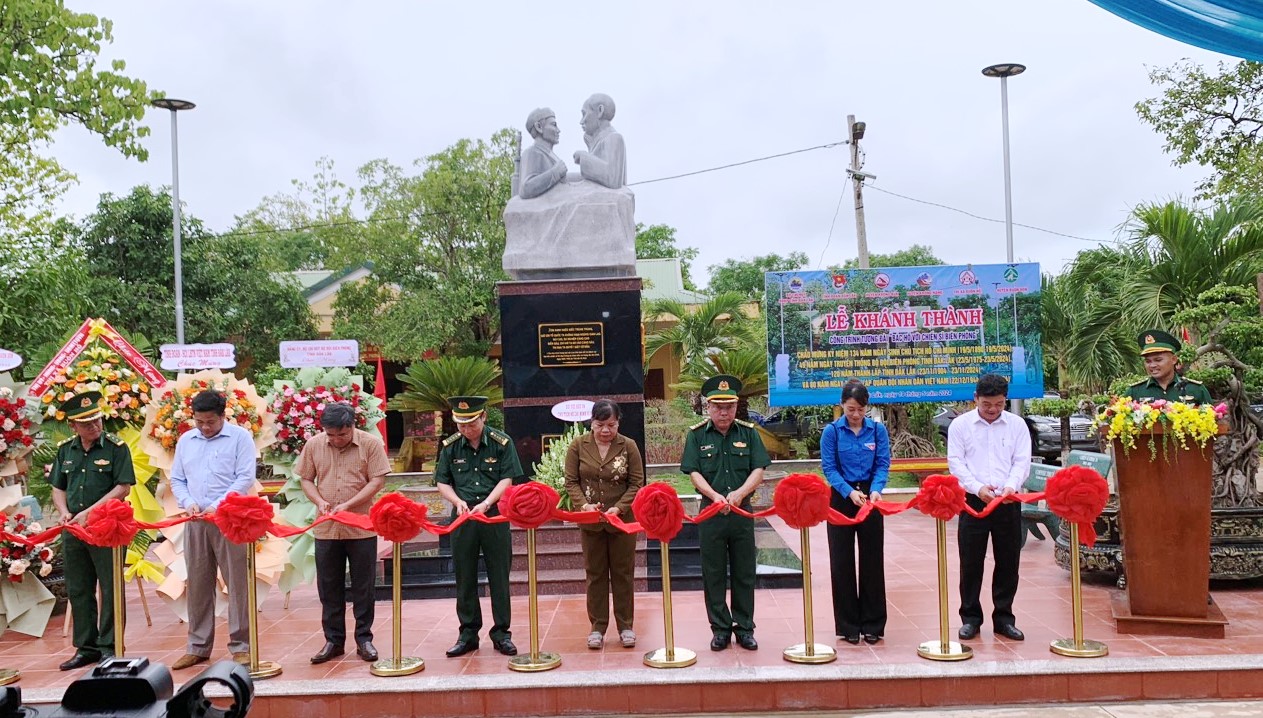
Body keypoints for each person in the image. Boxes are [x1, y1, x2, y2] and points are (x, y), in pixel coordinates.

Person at [168, 389, 257, 670]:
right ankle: (198, 646)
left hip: (230, 519)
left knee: (238, 583)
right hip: (196, 521)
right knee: (197, 583)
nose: (205, 427)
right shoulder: (186, 440)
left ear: (222, 416)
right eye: (199, 422)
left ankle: (242, 645)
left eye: (210, 422)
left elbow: (244, 477)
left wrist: (218, 505)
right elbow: (177, 479)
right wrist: (188, 502)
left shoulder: (240, 438)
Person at [681, 374, 769, 651]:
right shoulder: (696, 436)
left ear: (736, 406)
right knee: (714, 572)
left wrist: (741, 493)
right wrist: (714, 496)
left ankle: (744, 628)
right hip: (711, 513)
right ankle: (720, 628)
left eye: (729, 406)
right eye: (718, 406)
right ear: (708, 407)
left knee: (745, 572)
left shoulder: (749, 433)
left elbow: (759, 469)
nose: (724, 412)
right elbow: (693, 472)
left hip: (742, 513)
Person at [49, 391, 136, 670]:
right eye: (86, 423)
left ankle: (109, 645)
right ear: (73, 426)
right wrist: (64, 512)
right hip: (73, 529)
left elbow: (123, 487)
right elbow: (58, 486)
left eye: (97, 420)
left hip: (105, 526)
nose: (94, 426)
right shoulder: (66, 449)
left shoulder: (116, 447)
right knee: (79, 587)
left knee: (110, 588)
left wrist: (90, 513)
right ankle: (85, 647)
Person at [296, 402, 388, 664]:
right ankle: (333, 641)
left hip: (360, 527)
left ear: (352, 426)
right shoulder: (314, 444)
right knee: (328, 587)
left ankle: (364, 639)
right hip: (326, 528)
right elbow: (305, 478)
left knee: (363, 586)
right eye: (331, 435)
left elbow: (378, 479)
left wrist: (349, 504)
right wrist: (318, 501)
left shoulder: (370, 444)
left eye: (342, 435)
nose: (336, 440)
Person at [434, 396, 522, 658]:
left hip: (493, 515)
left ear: (483, 417)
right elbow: (442, 481)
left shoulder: (501, 443)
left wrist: (486, 503)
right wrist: (457, 501)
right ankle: (468, 633)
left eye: (471, 423)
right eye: (461, 424)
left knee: (499, 575)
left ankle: (501, 634)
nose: (466, 429)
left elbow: (507, 478)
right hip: (463, 518)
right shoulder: (450, 447)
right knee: (465, 576)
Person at [948, 374, 1032, 642]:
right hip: (973, 502)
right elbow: (956, 463)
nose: (993, 409)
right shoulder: (960, 426)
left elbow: (1021, 461)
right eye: (987, 404)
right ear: (975, 399)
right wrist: (977, 488)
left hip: (1007, 500)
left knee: (1008, 561)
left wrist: (1011, 485)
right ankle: (970, 618)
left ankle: (1004, 619)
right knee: (970, 562)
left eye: (998, 404)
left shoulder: (1017, 425)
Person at [563, 399, 644, 650]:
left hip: (621, 522)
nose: (606, 430)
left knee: (623, 574)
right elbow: (571, 481)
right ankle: (597, 627)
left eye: (612, 425)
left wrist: (619, 507)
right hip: (591, 522)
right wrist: (583, 505)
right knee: (595, 574)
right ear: (592, 423)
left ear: (618, 423)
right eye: (600, 425)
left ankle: (625, 626)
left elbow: (637, 482)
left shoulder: (628, 446)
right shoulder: (578, 445)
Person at [820, 381, 890, 645]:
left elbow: (883, 463)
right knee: (841, 561)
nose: (856, 415)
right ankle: (848, 624)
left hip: (870, 497)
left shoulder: (877, 431)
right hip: (842, 498)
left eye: (861, 410)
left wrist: (876, 489)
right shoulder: (832, 432)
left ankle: (873, 624)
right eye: (851, 409)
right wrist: (849, 492)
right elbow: (829, 468)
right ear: (842, 405)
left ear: (867, 407)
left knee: (872, 560)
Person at [1124, 329, 1213, 404]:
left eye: (1158, 360)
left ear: (1174, 359)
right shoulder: (1134, 392)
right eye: (1148, 361)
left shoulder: (1195, 390)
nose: (1152, 365)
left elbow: (1213, 421)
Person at [573, 93, 627, 189]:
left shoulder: (614, 138)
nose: (581, 121)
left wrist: (583, 157)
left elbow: (613, 178)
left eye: (584, 114)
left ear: (600, 111)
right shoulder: (600, 141)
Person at [519, 107, 569, 199]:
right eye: (554, 125)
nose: (558, 130)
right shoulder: (532, 152)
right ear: (539, 127)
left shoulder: (552, 156)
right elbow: (526, 188)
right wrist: (555, 173)